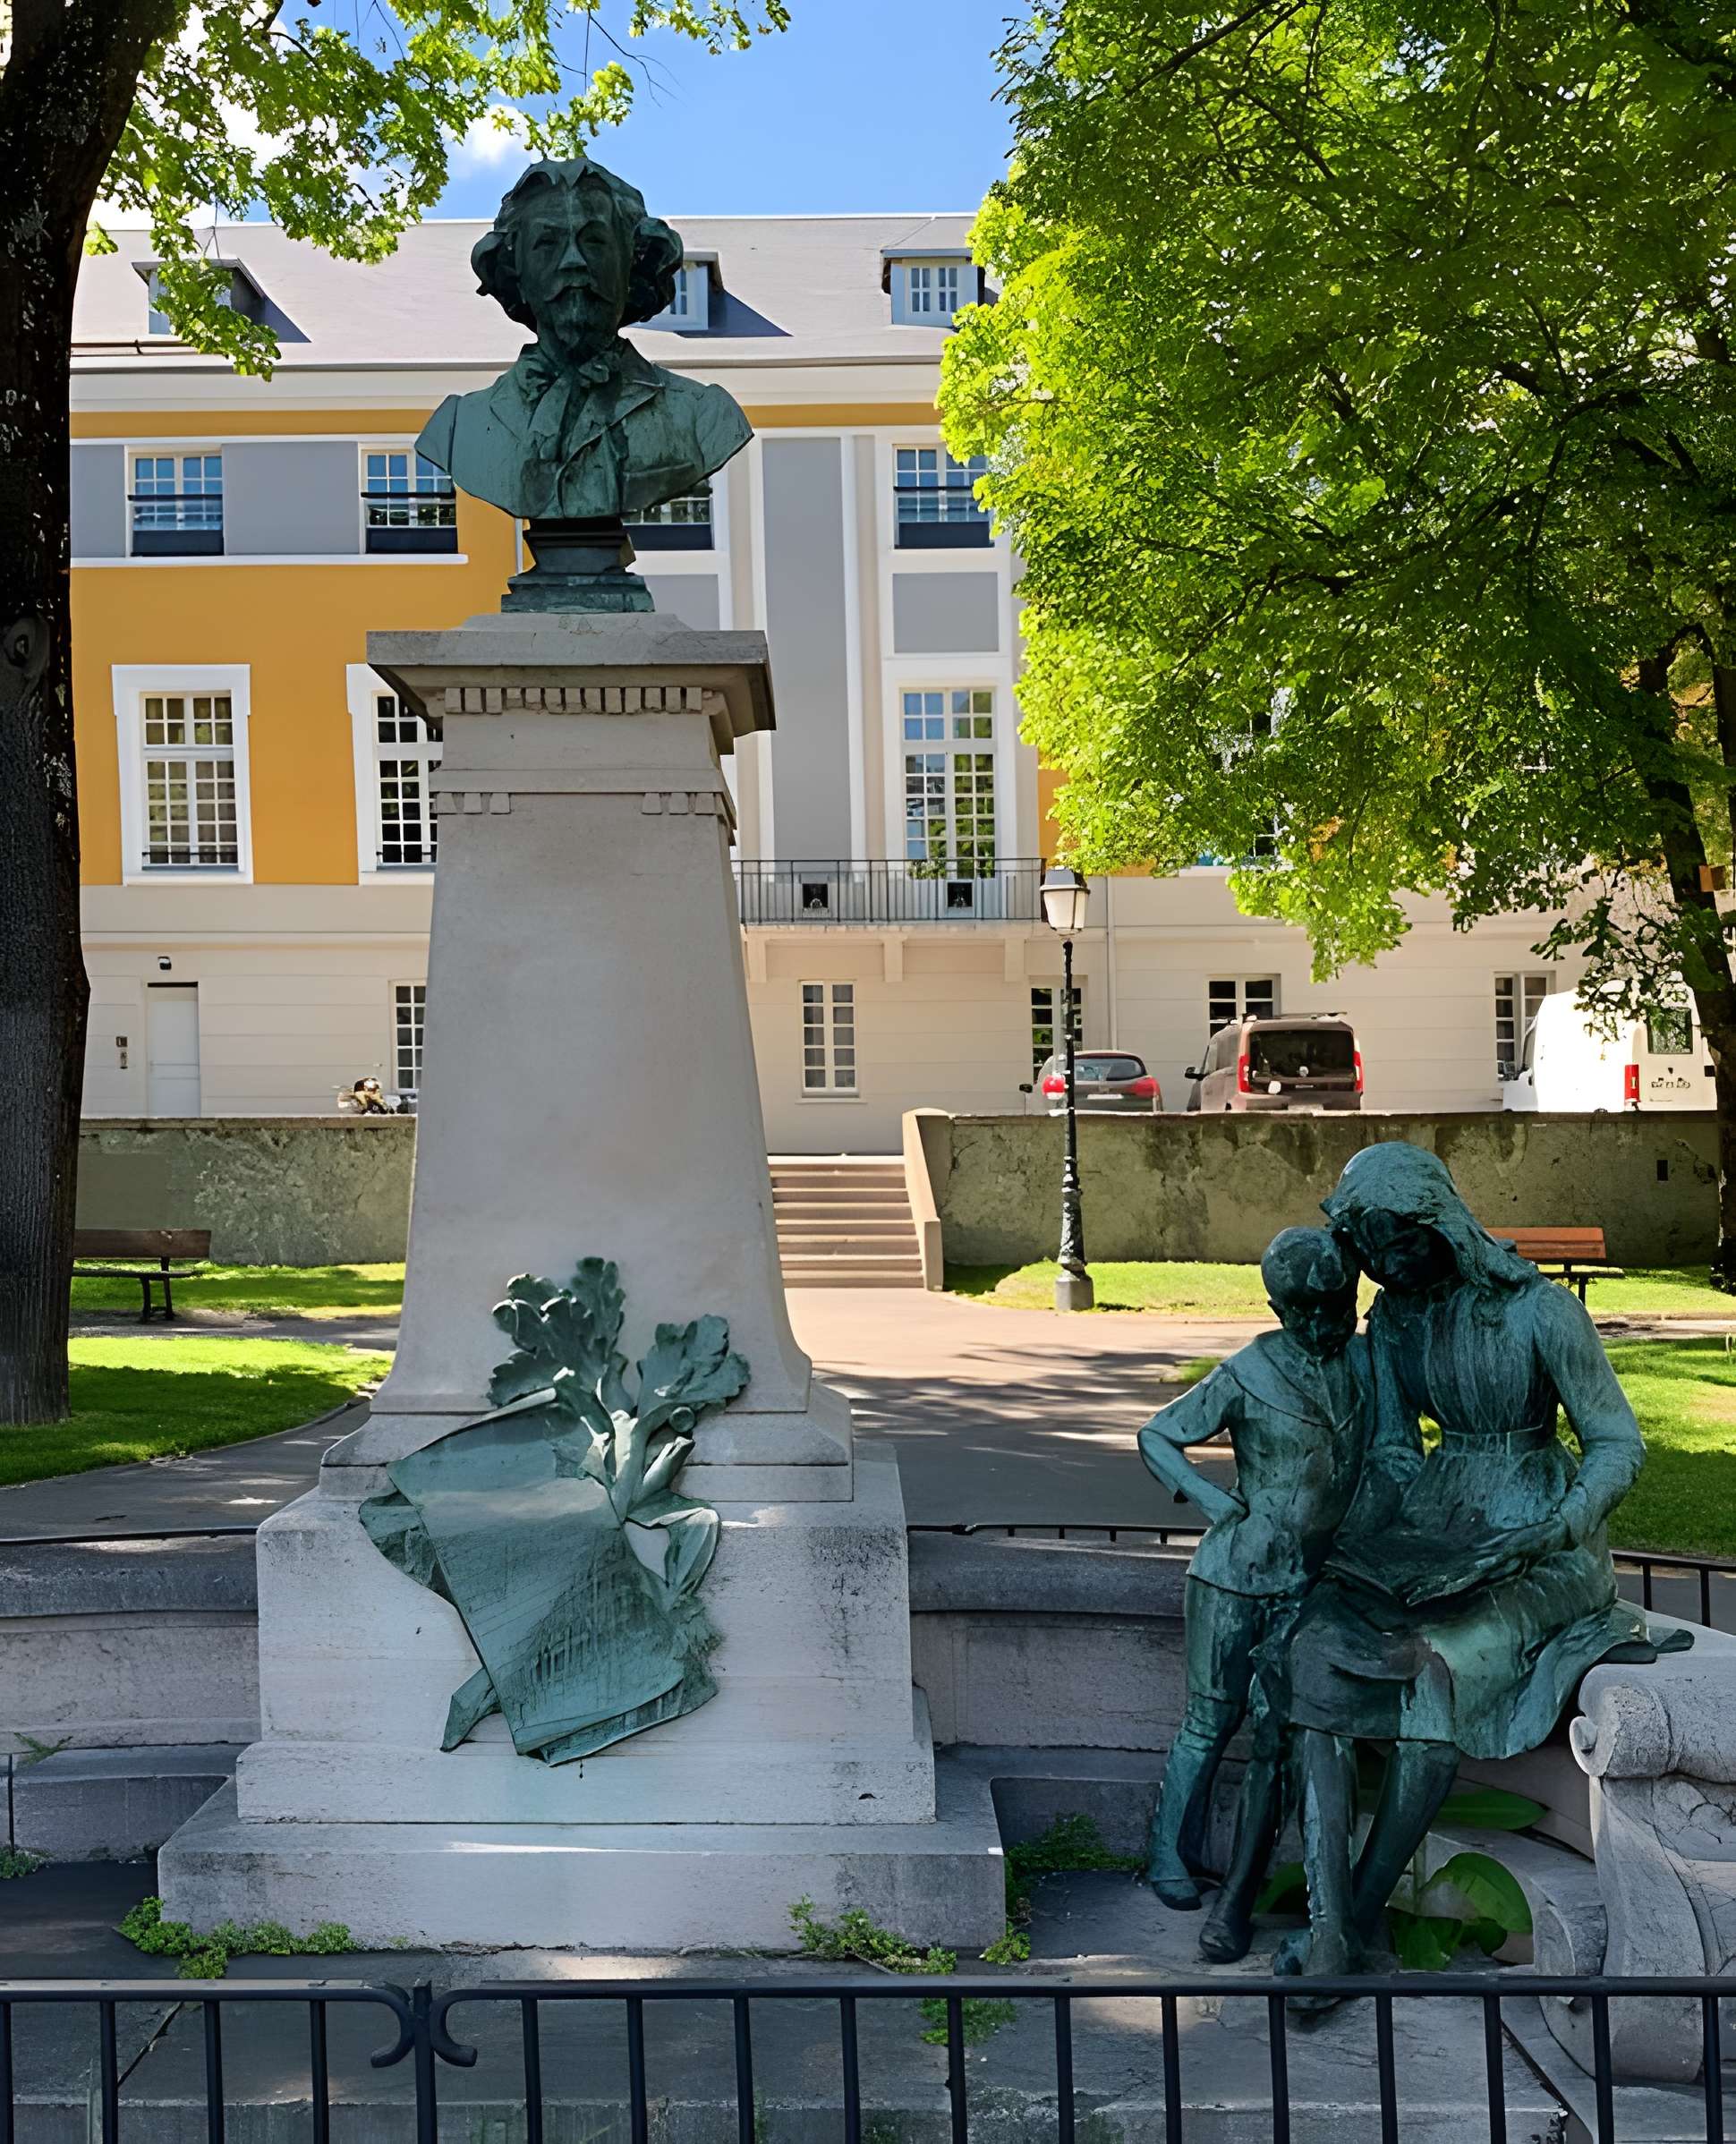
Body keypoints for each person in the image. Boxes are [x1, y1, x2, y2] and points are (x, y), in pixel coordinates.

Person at [1280, 1143, 1675, 1987]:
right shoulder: (1393, 1321)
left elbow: (1616, 1443)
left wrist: (1554, 1529)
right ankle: (1329, 1928)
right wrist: (1355, 1539)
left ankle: (1353, 1924)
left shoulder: (1541, 1311)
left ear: (1442, 1225)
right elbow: (1395, 1455)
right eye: (1371, 1253)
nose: (1385, 1268)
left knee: (1435, 1669)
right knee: (1311, 1645)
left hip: (1542, 1543)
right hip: (1434, 1531)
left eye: (1398, 1246)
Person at [1137, 1225, 1371, 1961]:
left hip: (1308, 1581)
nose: (1326, 1324)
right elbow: (1158, 1435)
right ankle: (1167, 1854)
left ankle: (1254, 1877)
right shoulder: (1248, 1372)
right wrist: (1210, 1500)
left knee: (1280, 1727)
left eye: (1339, 1308)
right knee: (1210, 1720)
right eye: (1308, 1313)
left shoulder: (1363, 1364)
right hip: (1231, 1578)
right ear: (1279, 1311)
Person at [419, 157, 752, 524]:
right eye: (547, 243)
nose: (573, 261)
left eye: (594, 241)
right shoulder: (460, 426)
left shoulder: (703, 417)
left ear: (631, 265)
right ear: (516, 273)